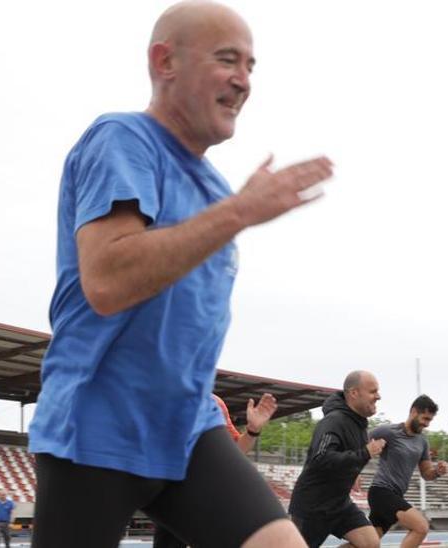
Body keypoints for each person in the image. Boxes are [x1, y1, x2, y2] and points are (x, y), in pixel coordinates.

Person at [26, 1, 334, 546]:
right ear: (165, 61)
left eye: (251, 66)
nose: (243, 81)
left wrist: (232, 209)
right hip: (97, 428)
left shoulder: (216, 190)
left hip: (188, 427)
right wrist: (240, 212)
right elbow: (107, 282)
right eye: (227, 60)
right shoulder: (123, 139)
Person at [152, 393, 278, 548]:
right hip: (170, 490)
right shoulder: (162, 394)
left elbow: (235, 449)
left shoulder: (214, 403)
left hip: (207, 491)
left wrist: (253, 430)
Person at [288, 371, 384, 548]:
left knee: (370, 543)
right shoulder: (333, 421)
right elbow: (321, 458)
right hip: (312, 507)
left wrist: (354, 471)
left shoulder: (360, 425)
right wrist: (364, 453)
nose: (378, 396)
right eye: (373, 391)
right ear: (354, 393)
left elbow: (347, 456)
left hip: (339, 505)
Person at [367, 395, 448, 548]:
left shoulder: (422, 442)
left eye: (429, 420)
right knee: (421, 527)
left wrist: (438, 471)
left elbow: (426, 473)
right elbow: (359, 440)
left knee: (367, 544)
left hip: (395, 495)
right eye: (424, 418)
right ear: (413, 412)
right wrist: (354, 470)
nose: (426, 424)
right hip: (381, 492)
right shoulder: (389, 431)